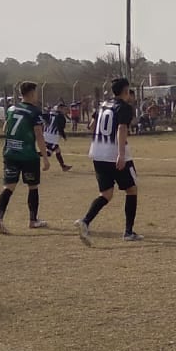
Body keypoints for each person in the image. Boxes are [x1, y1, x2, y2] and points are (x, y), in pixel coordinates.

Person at [76, 77, 143, 243]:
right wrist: (120, 153)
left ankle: (85, 221)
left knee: (106, 193)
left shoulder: (103, 105)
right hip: (115, 154)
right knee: (131, 189)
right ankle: (128, 232)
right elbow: (122, 128)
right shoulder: (124, 107)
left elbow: (91, 126)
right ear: (126, 91)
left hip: (98, 153)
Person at [0, 81, 51, 234]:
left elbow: (6, 128)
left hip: (10, 153)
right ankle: (33, 220)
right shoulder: (34, 112)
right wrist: (45, 157)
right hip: (28, 156)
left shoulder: (12, 108)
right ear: (31, 93)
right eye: (36, 93)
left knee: (9, 187)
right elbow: (39, 135)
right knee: (33, 186)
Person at [41, 103, 73, 171]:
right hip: (52, 138)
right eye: (64, 109)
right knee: (49, 153)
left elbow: (43, 117)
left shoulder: (50, 113)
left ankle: (63, 166)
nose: (65, 111)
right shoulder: (61, 117)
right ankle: (32, 155)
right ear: (60, 108)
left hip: (46, 135)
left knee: (57, 150)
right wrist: (64, 136)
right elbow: (60, 128)